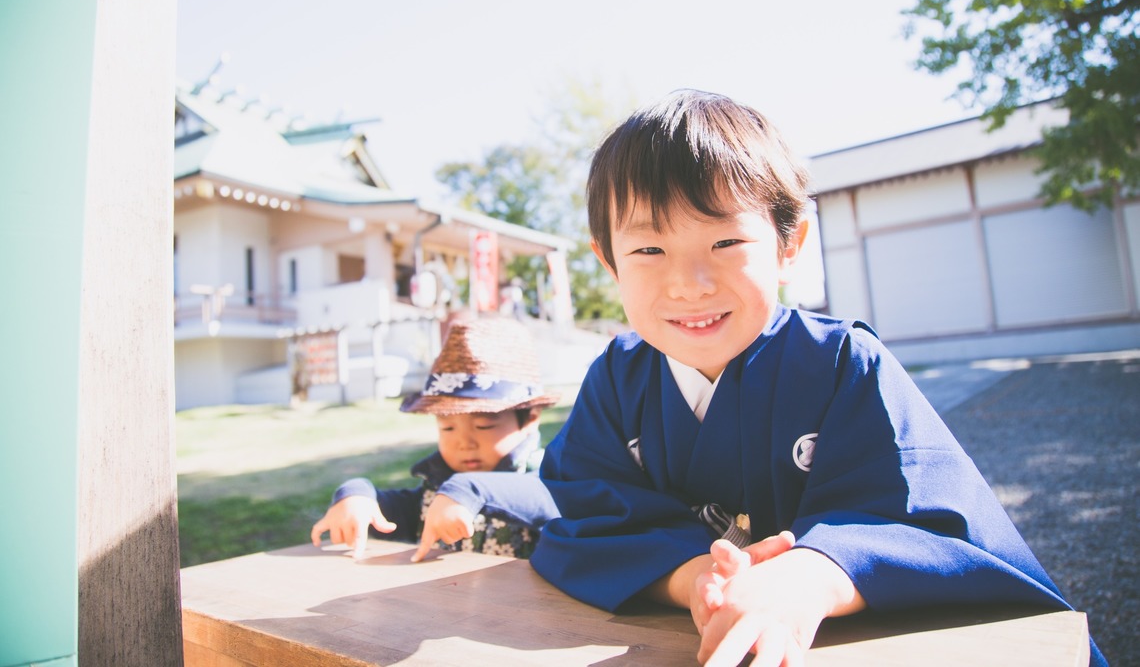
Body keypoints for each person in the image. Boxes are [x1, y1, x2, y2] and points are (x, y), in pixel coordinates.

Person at [528, 90, 1106, 666]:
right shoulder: (616, 378)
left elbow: (930, 522)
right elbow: (585, 516)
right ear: (609, 262)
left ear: (789, 245)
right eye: (649, 249)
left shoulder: (842, 362)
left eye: (726, 242)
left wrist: (805, 580)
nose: (688, 284)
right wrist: (697, 578)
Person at [311, 316, 560, 562]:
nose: (464, 443)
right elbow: (387, 514)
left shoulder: (549, 480)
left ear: (530, 418)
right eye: (448, 428)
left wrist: (469, 489)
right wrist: (356, 496)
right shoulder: (435, 492)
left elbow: (544, 499)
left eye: (483, 426)